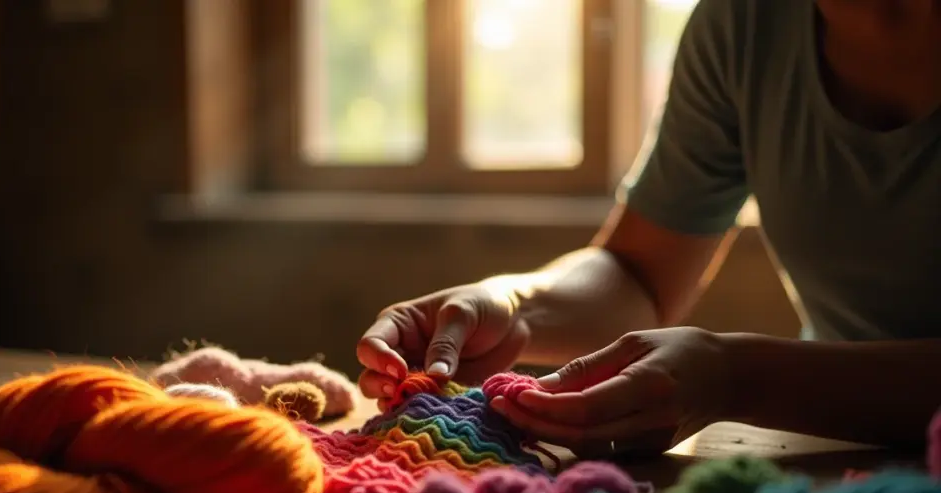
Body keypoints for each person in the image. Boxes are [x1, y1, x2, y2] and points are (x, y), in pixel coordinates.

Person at [356, 0, 941, 457]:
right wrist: (516, 307)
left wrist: (740, 378)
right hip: (835, 472)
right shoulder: (746, 25)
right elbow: (642, 275)